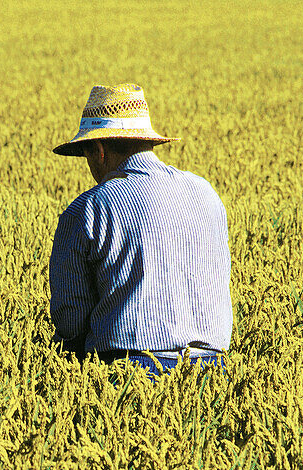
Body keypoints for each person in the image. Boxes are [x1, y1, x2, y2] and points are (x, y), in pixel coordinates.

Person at [49, 83, 233, 384]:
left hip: (131, 372)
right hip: (214, 370)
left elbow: (71, 317)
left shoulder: (88, 209)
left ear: (99, 150)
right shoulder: (206, 194)